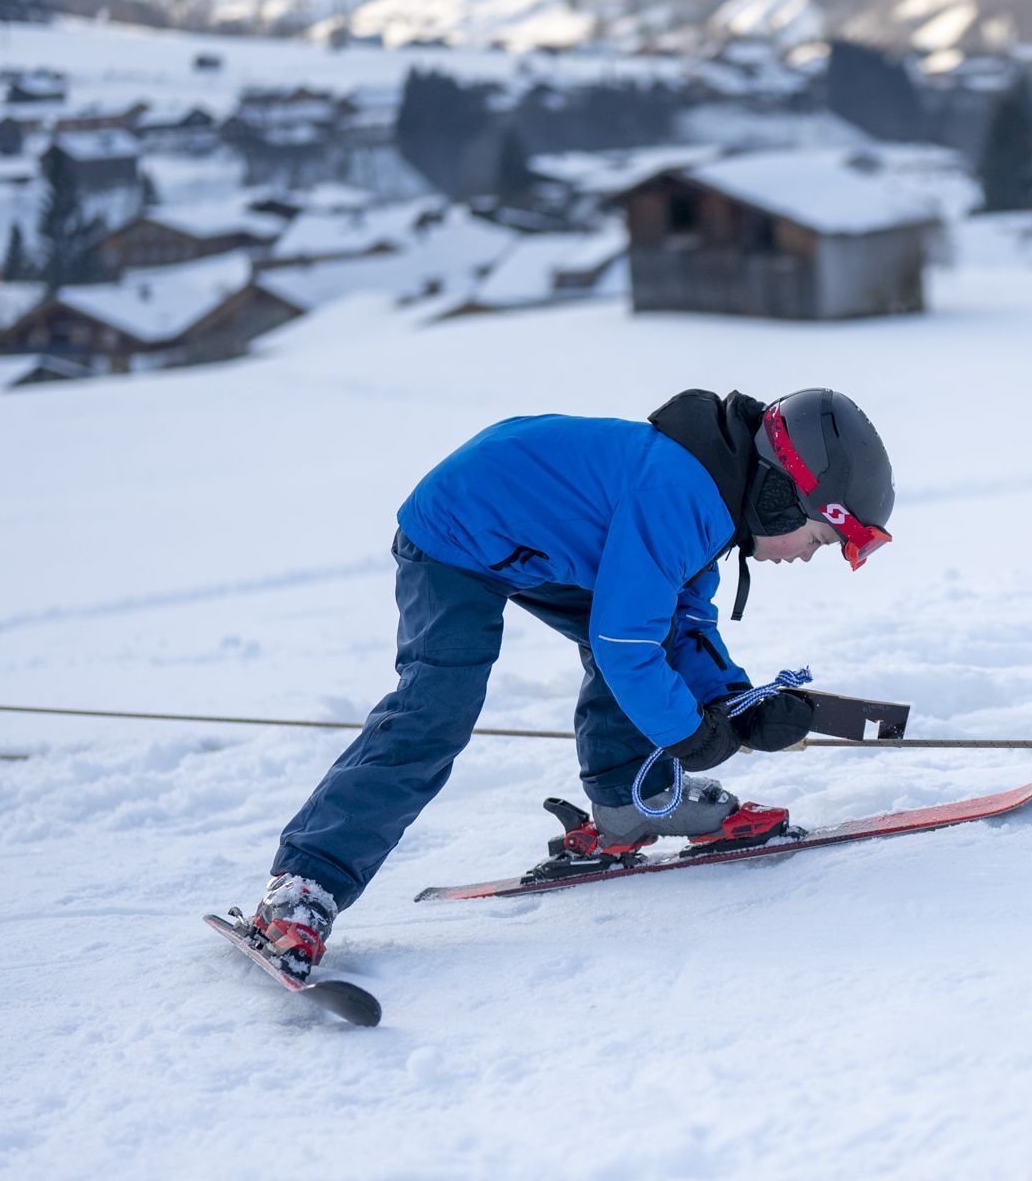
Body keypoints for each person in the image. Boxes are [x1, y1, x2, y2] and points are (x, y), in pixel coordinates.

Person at [251, 388, 895, 975]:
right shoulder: (682, 495)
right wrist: (692, 736)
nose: (806, 555)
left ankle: (629, 805)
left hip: (535, 537)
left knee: (639, 635)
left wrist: (735, 703)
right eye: (817, 538)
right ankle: (305, 884)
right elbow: (626, 644)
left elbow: (679, 623)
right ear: (780, 494)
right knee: (435, 711)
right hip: (457, 530)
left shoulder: (711, 500)